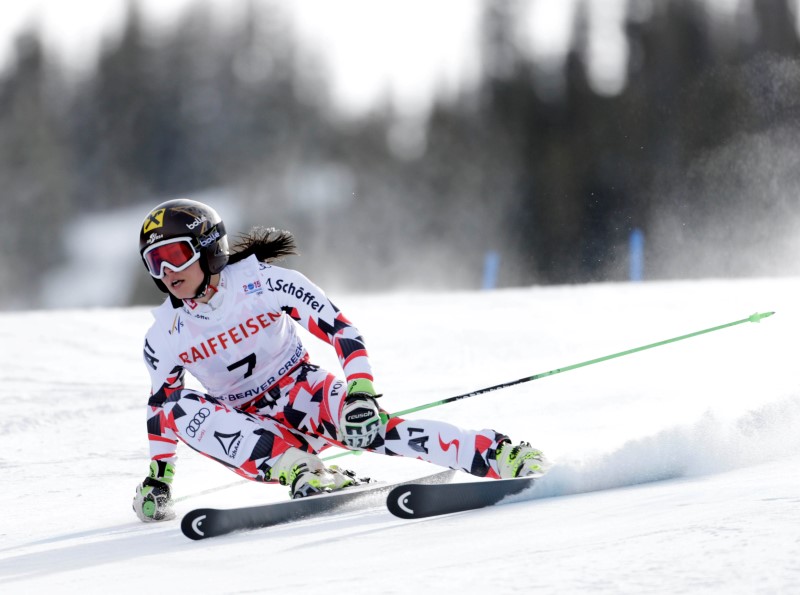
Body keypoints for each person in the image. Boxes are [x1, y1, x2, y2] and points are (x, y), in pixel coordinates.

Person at [133, 198, 550, 522]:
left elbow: (340, 330)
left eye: (176, 255)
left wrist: (361, 394)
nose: (167, 271)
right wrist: (160, 478)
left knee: (380, 432)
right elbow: (160, 410)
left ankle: (498, 453)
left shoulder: (263, 282)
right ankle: (302, 471)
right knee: (178, 405)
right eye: (155, 262)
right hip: (248, 427)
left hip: (303, 392)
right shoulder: (164, 334)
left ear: (209, 249)